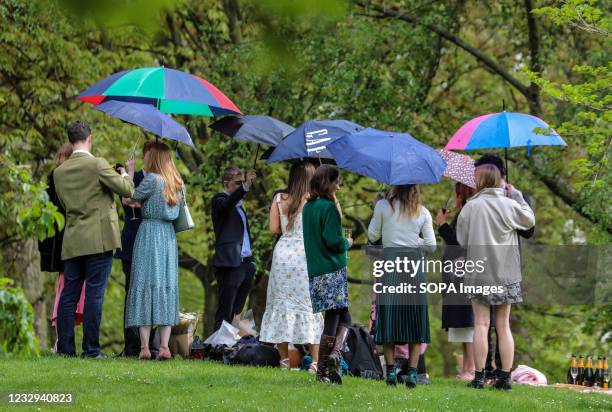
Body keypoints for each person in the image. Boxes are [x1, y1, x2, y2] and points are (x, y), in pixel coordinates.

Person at [54, 121, 135, 358]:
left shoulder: (59, 172)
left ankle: (65, 349)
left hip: (73, 239)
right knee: (94, 294)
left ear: (71, 140)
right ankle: (91, 349)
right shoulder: (98, 164)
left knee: (69, 295)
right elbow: (126, 190)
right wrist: (126, 173)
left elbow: (64, 203)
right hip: (99, 239)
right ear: (90, 137)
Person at [457, 164, 535, 390]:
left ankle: (479, 377)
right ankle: (504, 378)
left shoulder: (471, 207)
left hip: (479, 272)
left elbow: (462, 240)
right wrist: (518, 197)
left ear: (480, 182)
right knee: (503, 325)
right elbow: (529, 221)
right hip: (506, 274)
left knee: (481, 324)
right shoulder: (510, 204)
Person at [368, 184, 436, 388]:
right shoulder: (423, 212)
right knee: (414, 318)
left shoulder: (382, 206)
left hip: (390, 265)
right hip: (413, 268)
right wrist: (415, 242)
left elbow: (373, 236)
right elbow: (431, 245)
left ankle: (390, 372)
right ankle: (413, 373)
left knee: (389, 316)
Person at [259, 161, 324, 372]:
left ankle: (284, 360)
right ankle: (314, 361)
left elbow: (274, 228)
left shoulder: (280, 198)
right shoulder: (316, 201)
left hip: (283, 255)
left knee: (281, 304)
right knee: (310, 306)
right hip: (306, 255)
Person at [125, 141, 183, 360]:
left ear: (154, 158)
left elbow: (129, 197)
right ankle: (165, 346)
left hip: (149, 233)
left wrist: (129, 174)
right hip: (168, 237)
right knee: (165, 285)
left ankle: (145, 348)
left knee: (144, 282)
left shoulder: (151, 179)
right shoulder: (176, 182)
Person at [302, 165, 353, 385]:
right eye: (336, 182)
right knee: (333, 320)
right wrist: (347, 242)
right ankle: (324, 368)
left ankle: (332, 359)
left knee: (344, 317)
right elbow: (333, 241)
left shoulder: (309, 207)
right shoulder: (328, 209)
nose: (339, 186)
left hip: (316, 270)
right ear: (327, 183)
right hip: (332, 269)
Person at [38, 143, 87, 350]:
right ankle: (62, 340)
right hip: (66, 245)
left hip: (62, 246)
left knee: (69, 291)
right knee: (66, 292)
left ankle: (64, 339)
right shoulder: (61, 184)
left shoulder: (53, 183)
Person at [114, 140, 155, 357]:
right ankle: (132, 345)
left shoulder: (160, 181)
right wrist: (128, 175)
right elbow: (126, 199)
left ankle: (151, 344)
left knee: (152, 293)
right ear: (146, 155)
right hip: (132, 241)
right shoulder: (135, 177)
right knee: (133, 293)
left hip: (152, 243)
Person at [436, 182, 476, 381]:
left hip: (463, 274)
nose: (454, 196)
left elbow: (458, 243)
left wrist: (442, 224)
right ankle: (467, 368)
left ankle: (470, 368)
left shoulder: (467, 212)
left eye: (456, 193)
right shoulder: (463, 212)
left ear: (462, 193)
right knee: (462, 322)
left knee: (468, 320)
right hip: (457, 274)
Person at [211, 167, 257, 331]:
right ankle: (217, 349)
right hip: (230, 265)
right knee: (225, 310)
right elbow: (226, 205)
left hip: (245, 264)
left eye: (242, 182)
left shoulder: (240, 208)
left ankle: (231, 345)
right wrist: (245, 188)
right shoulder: (219, 200)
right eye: (237, 183)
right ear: (226, 184)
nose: (241, 186)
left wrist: (251, 263)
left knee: (237, 311)